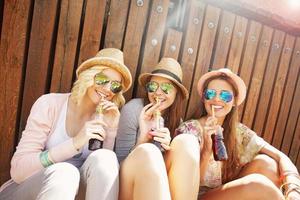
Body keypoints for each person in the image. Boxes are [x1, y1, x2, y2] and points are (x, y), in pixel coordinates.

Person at [0, 48, 132, 200]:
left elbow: (100, 176)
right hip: (25, 191)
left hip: (73, 194)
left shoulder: (104, 117)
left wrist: (111, 131)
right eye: (102, 79)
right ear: (87, 77)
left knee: (107, 157)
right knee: (65, 172)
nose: (108, 89)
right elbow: (18, 171)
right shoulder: (49, 104)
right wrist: (75, 143)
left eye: (115, 86)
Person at [176, 68, 300, 200]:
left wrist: (293, 188)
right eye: (210, 93)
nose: (217, 99)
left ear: (234, 101)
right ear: (204, 98)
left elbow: (280, 157)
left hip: (224, 193)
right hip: (195, 195)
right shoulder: (190, 130)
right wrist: (206, 149)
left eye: (225, 96)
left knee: (267, 164)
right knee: (258, 184)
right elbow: (188, 184)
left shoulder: (238, 132)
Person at [115, 57, 200, 200]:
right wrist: (144, 137)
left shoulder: (175, 121)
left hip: (154, 189)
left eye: (166, 88)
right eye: (153, 87)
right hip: (126, 186)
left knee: (188, 141)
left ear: (176, 94)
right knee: (149, 151)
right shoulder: (133, 110)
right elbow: (118, 164)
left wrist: (167, 151)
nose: (158, 93)